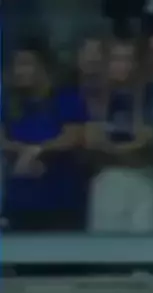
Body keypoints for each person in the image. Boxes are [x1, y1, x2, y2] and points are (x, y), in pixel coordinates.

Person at [1, 41, 88, 231]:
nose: (19, 71)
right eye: (16, 65)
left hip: (60, 203)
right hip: (19, 203)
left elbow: (73, 137)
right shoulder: (9, 104)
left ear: (44, 67)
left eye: (26, 64)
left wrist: (38, 150)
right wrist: (24, 152)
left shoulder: (66, 99)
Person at [86, 37, 153, 233]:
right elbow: (91, 140)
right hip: (107, 179)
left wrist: (112, 150)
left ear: (138, 64)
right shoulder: (95, 96)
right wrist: (129, 150)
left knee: (146, 245)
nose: (122, 65)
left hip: (144, 177)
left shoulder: (152, 95)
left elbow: (150, 138)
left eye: (128, 59)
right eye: (116, 59)